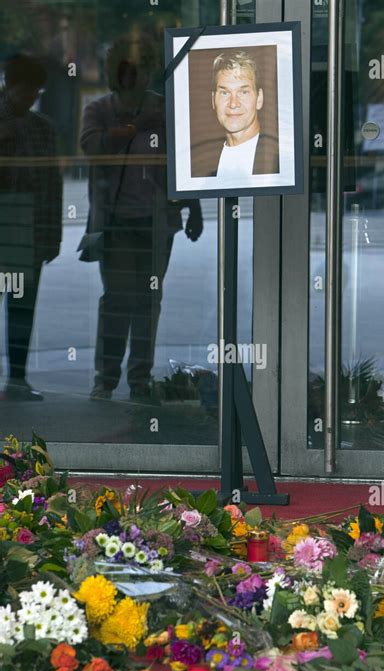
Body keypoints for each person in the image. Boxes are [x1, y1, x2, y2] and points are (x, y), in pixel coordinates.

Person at [80, 34, 203, 402]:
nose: (135, 77)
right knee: (117, 299)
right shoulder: (100, 110)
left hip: (156, 222)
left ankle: (138, 380)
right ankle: (106, 378)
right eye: (127, 71)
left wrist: (192, 207)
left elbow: (184, 163)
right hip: (116, 222)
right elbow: (93, 146)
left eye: (140, 70)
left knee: (148, 301)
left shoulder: (165, 110)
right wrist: (135, 127)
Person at [0, 54, 62, 401]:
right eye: (26, 90)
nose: (31, 98)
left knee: (22, 308)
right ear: (10, 85)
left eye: (36, 92)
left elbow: (52, 185)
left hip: (30, 228)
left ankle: (18, 379)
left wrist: (52, 236)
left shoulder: (42, 128)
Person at [192, 50, 279, 178]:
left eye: (243, 92)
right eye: (224, 93)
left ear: (259, 98)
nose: (233, 104)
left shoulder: (277, 159)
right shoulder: (200, 162)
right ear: (213, 100)